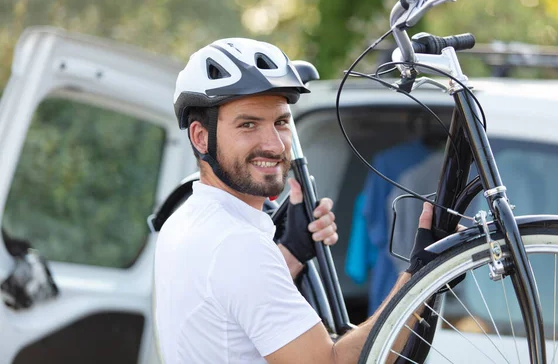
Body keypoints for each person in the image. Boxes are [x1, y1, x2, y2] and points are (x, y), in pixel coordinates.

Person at [153, 38, 435, 363]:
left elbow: (235, 312)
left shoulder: (185, 220)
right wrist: (420, 274)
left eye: (281, 122)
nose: (274, 145)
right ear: (201, 137)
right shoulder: (237, 245)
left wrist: (292, 253)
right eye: (248, 125)